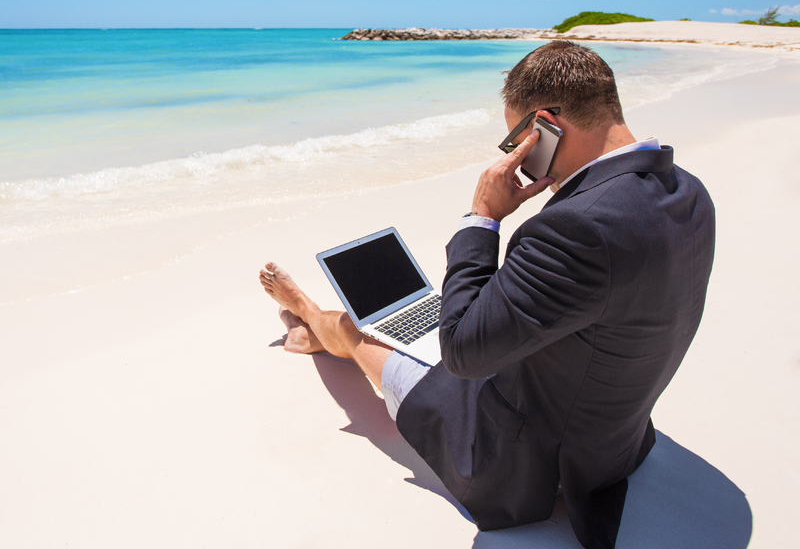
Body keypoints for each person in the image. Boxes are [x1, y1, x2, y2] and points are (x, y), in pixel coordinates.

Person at [259, 40, 715, 549]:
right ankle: (323, 325)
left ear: (545, 125)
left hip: (521, 460)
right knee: (425, 326)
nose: (516, 156)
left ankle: (312, 321)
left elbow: (460, 354)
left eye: (515, 140)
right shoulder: (687, 191)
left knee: (358, 332)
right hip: (615, 439)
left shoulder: (578, 226)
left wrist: (483, 217)